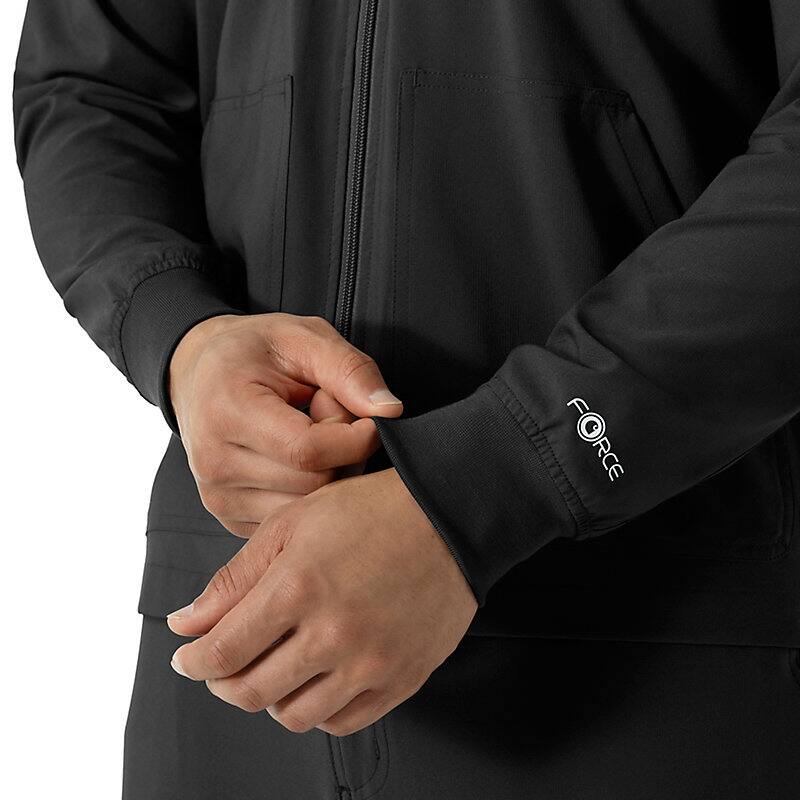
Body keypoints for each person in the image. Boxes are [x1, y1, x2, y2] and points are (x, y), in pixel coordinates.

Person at [13, 1, 800, 798]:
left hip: (648, 632)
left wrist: (502, 474)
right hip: (239, 633)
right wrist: (183, 334)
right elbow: (94, 83)